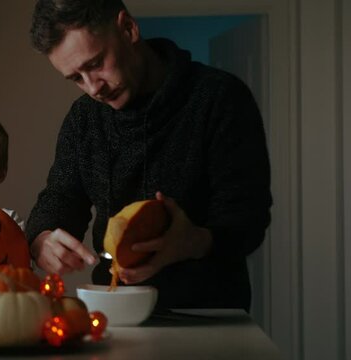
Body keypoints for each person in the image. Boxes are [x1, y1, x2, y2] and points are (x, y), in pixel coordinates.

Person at [26, 0, 272, 311]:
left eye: (95, 63)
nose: (93, 88)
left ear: (128, 28)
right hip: (115, 316)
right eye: (76, 78)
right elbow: (59, 198)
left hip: (210, 315)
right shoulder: (83, 119)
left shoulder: (219, 98)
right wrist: (41, 239)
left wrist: (192, 242)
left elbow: (249, 219)